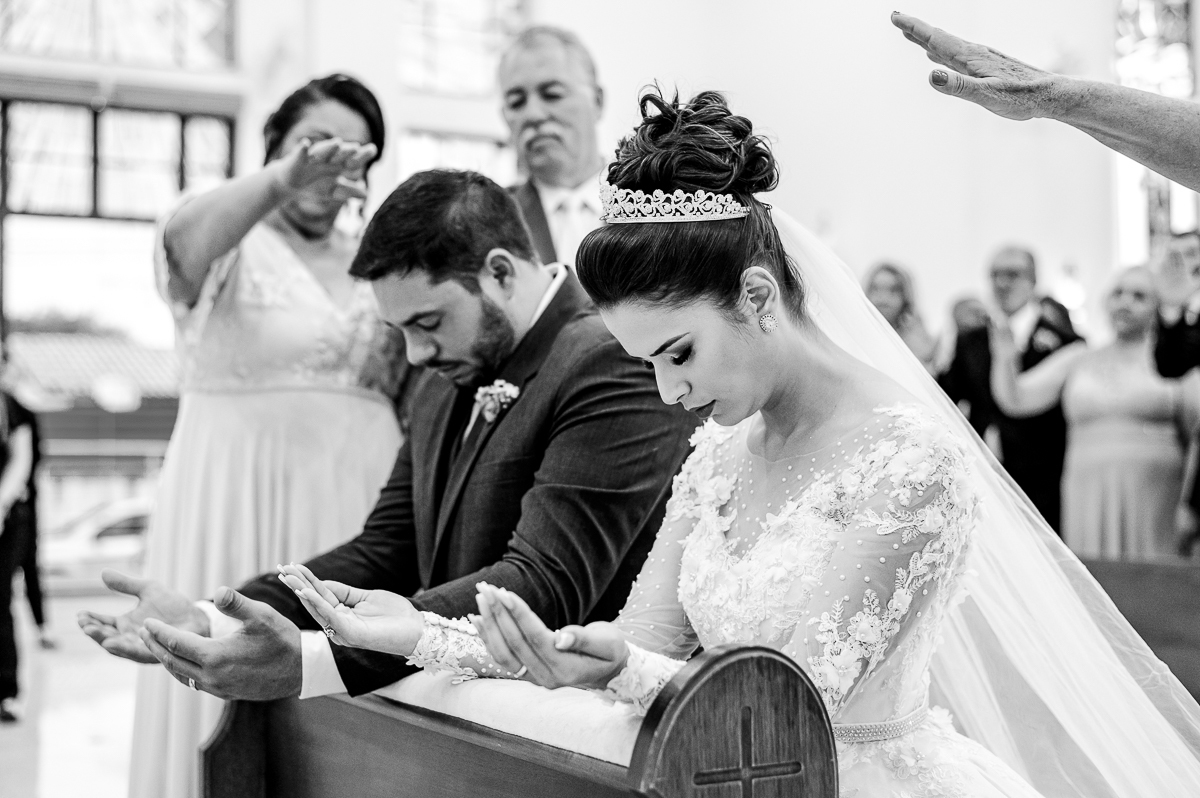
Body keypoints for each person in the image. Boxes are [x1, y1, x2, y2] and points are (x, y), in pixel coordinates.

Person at [281, 90, 1200, 798]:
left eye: (679, 353)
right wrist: (425, 635)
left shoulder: (912, 461)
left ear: (758, 297)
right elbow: (635, 640)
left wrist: (616, 667)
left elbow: (793, 701)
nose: (670, 391)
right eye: (646, 364)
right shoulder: (721, 451)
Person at [79, 170, 696, 709]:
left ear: (501, 272)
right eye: (399, 329)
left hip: (556, 723)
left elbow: (543, 585)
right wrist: (214, 617)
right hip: (453, 711)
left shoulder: (614, 359)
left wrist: (314, 660)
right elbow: (385, 548)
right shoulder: (446, 375)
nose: (415, 353)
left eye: (428, 323)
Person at [122, 74, 407, 798]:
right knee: (226, 694)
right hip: (237, 488)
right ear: (275, 148)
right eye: (313, 145)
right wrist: (282, 182)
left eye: (352, 157)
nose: (330, 166)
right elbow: (178, 244)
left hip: (358, 499)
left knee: (340, 702)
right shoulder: (229, 244)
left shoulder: (374, 261)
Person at [989, 266, 1200, 559]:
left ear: (1157, 307)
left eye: (1139, 296)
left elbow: (1195, 438)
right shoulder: (1080, 356)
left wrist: (1189, 504)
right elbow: (1017, 400)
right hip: (1088, 488)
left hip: (1156, 491)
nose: (1125, 302)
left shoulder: (1174, 362)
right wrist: (1005, 360)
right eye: (1118, 293)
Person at [937, 246, 1082, 530]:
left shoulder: (1063, 340)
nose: (1002, 283)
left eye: (1012, 275)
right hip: (981, 470)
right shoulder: (970, 339)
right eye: (995, 275)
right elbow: (948, 398)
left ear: (1033, 280)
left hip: (1041, 472)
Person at [500, 26, 606, 266]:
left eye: (552, 94)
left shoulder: (653, 203)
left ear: (597, 102)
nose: (533, 114)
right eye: (517, 103)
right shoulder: (494, 218)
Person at [0, 389, 35, 723]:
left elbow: (20, 461)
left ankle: (7, 692)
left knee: (0, 600)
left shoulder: (14, 408)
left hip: (6, 519)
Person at [863, 261, 938, 371]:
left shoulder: (918, 341)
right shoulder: (854, 335)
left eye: (893, 290)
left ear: (905, 297)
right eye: (875, 289)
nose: (883, 299)